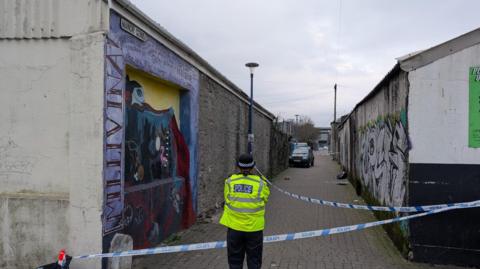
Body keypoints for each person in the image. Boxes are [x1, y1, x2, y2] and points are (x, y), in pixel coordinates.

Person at [219, 154, 270, 269]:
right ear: (253, 167)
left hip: (234, 228)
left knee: (234, 261)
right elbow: (265, 199)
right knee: (254, 261)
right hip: (254, 229)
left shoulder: (229, 181)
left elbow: (227, 199)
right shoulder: (261, 184)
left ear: (238, 166)